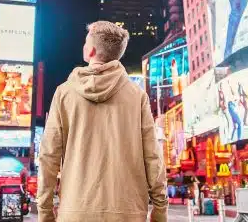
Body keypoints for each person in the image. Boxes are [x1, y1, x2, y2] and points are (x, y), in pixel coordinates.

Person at [37, 21, 168, 222]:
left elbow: (49, 156)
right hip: (128, 213)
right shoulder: (137, 96)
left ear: (91, 51)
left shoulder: (64, 93)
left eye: (86, 42)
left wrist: (45, 212)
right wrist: (160, 210)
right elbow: (153, 156)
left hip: (75, 212)